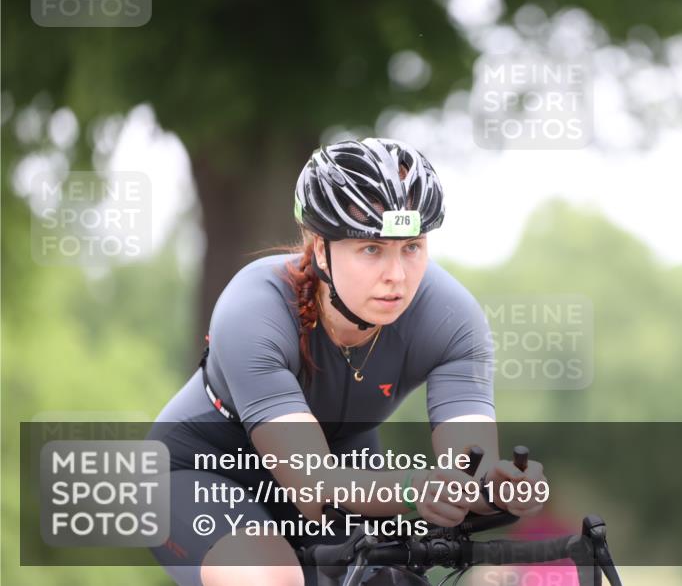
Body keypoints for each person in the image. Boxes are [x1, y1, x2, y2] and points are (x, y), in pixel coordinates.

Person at [149, 138, 547, 586]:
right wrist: (414, 489)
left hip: (346, 468)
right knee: (269, 575)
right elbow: (311, 482)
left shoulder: (452, 318)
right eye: (372, 249)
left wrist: (497, 489)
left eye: (412, 247)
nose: (396, 275)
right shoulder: (253, 308)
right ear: (321, 249)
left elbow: (466, 470)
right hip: (203, 472)